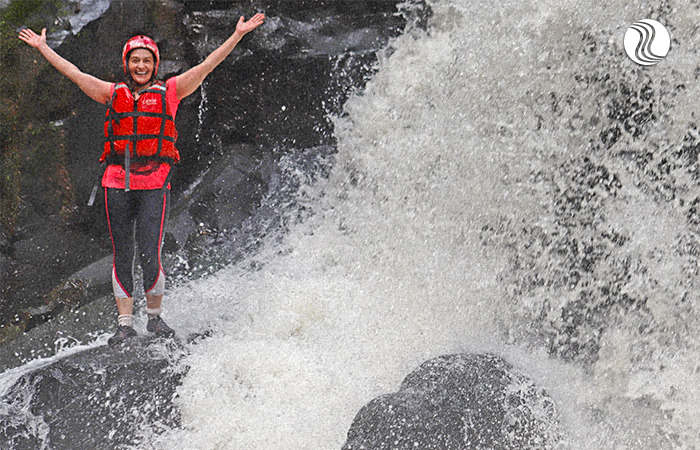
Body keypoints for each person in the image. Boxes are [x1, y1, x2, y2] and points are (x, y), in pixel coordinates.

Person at [19, 13, 265, 346]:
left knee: (150, 252)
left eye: (146, 61)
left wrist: (237, 34)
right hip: (116, 182)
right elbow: (75, 74)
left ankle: (154, 317)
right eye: (135, 60)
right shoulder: (111, 93)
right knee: (123, 253)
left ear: (155, 65)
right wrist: (44, 48)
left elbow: (207, 65)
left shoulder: (172, 92)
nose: (140, 65)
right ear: (127, 64)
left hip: (154, 182)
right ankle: (124, 323)